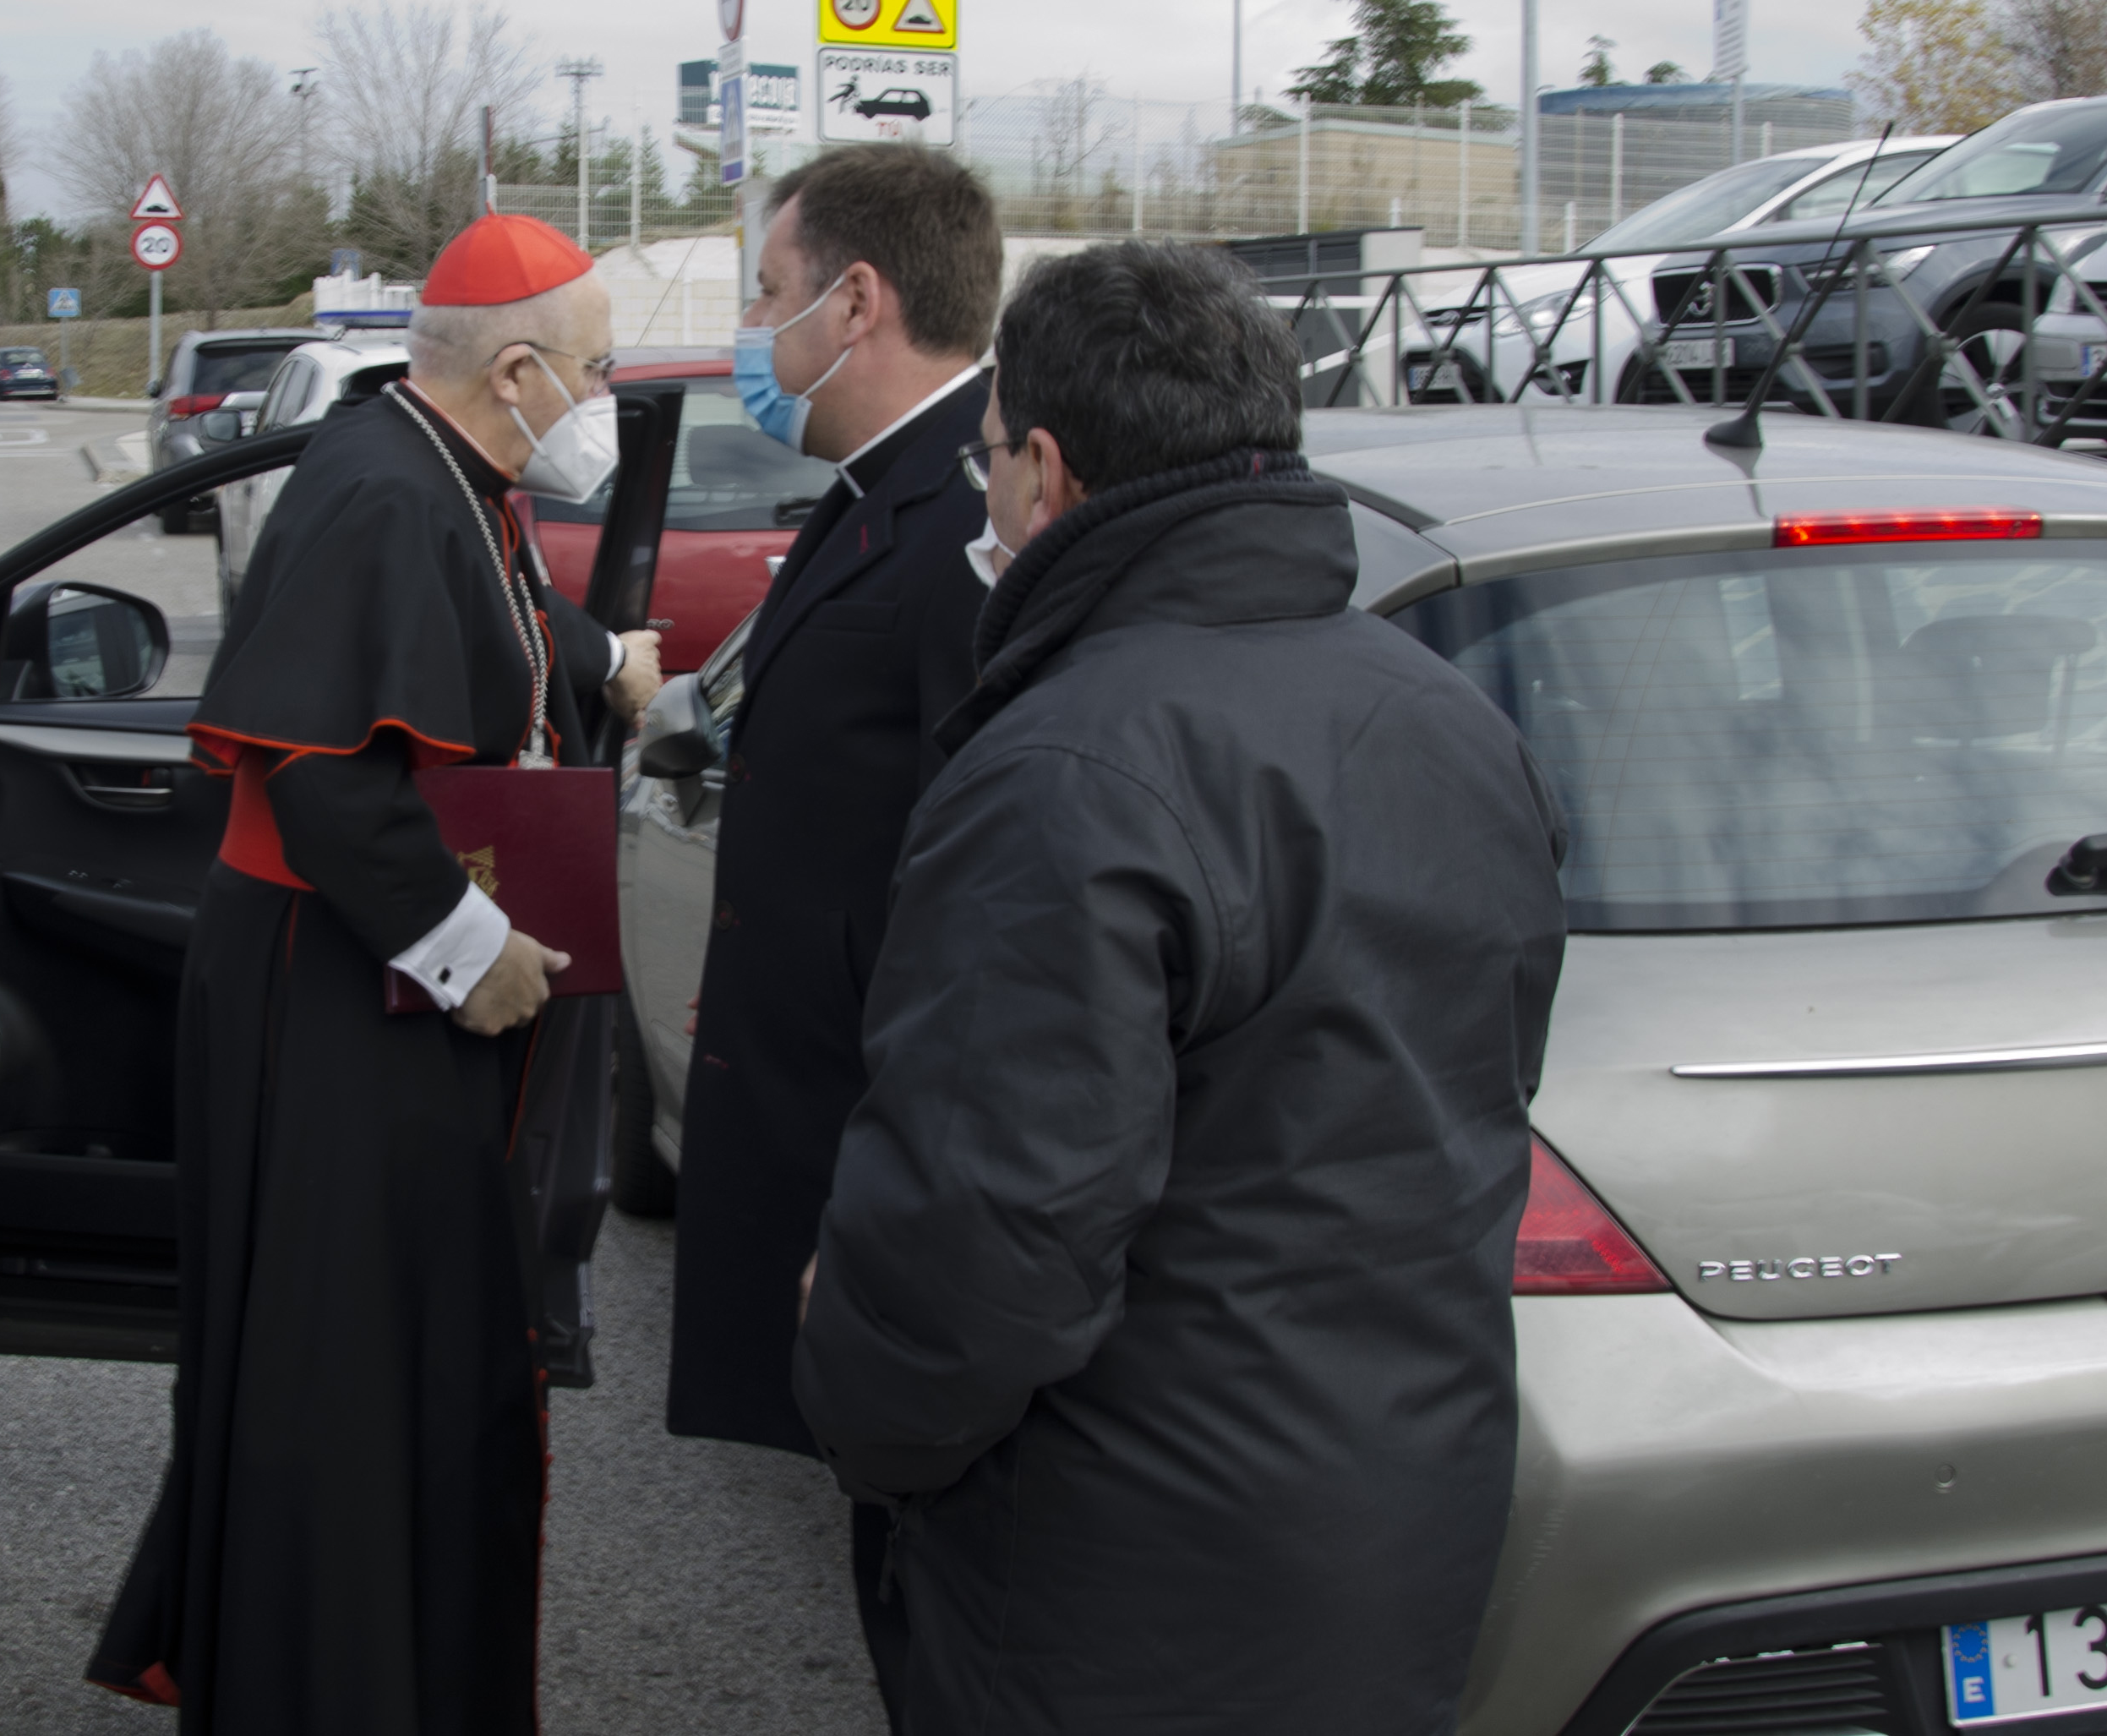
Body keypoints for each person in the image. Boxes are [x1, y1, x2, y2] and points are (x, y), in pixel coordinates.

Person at [791, 241, 1570, 1733]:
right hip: (1401, 1519)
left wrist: (858, 1398)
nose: (985, 497)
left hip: (1114, 1578)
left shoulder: (1064, 767)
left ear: (1047, 471)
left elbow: (986, 1242)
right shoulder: (1454, 721)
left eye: (987, 459)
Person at [85, 211, 662, 1733]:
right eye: (599, 369)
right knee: (341, 1362)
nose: (605, 396)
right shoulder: (379, 490)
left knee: (405, 1340)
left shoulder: (436, 466)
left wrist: (602, 660)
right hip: (331, 989)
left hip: (363, 979)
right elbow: (325, 778)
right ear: (519, 370)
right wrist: (470, 951)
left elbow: (497, 608)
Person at [661, 144, 1003, 1719]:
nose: (753, 329)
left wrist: (891, 1214)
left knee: (938, 1617)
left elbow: (979, 899)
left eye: (768, 293)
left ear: (856, 301)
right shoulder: (882, 489)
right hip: (833, 1142)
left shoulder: (969, 519)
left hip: (886, 1167)